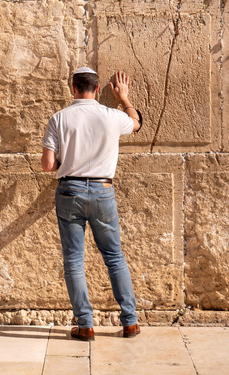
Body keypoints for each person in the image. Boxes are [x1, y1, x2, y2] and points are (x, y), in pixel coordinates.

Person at [41, 68, 142, 341]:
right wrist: (124, 98)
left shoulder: (59, 119)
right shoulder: (112, 117)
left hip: (69, 191)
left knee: (74, 260)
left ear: (73, 88)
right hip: (103, 191)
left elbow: (48, 165)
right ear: (98, 90)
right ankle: (130, 323)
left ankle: (85, 325)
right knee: (114, 256)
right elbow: (136, 124)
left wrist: (71, 167)